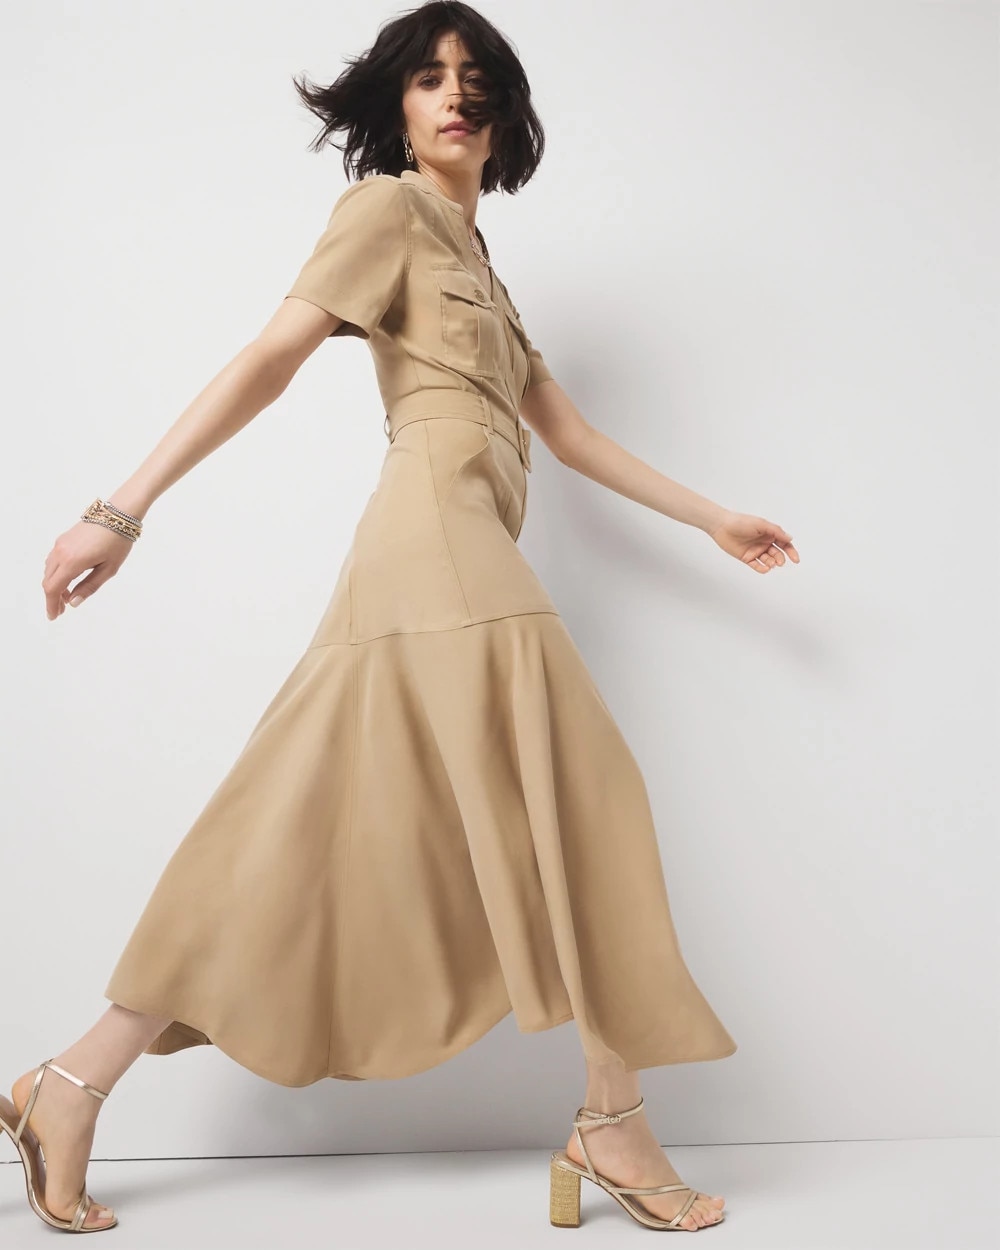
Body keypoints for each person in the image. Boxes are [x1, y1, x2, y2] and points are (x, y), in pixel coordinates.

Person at [1, 1, 799, 1236]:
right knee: (585, 795)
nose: (454, 94)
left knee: (294, 832)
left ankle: (68, 1081)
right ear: (397, 106)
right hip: (438, 546)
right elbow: (271, 356)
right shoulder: (386, 211)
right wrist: (122, 508)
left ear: (506, 112)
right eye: (428, 77)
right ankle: (612, 1119)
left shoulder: (480, 263)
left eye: (476, 78)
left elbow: (567, 433)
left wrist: (712, 518)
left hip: (440, 560)